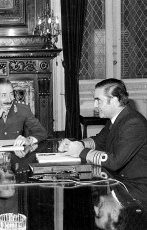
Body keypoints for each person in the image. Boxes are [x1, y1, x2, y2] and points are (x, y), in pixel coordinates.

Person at [58, 78, 147, 208]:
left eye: (98, 100)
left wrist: (80, 151)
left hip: (135, 190)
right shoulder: (117, 119)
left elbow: (114, 161)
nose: (95, 105)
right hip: (120, 182)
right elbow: (98, 141)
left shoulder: (133, 123)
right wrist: (77, 144)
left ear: (115, 101)